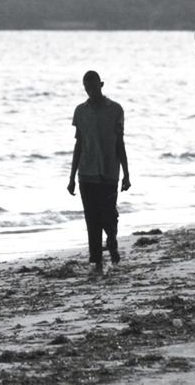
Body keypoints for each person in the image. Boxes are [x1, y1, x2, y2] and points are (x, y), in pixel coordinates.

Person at [67, 70, 131, 275]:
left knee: (109, 216)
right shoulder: (80, 111)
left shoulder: (115, 110)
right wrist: (71, 178)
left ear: (101, 85)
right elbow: (78, 145)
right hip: (86, 173)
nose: (90, 92)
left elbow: (120, 143)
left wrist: (126, 174)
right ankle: (96, 260)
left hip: (110, 172)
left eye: (94, 87)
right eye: (87, 88)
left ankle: (112, 244)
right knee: (91, 218)